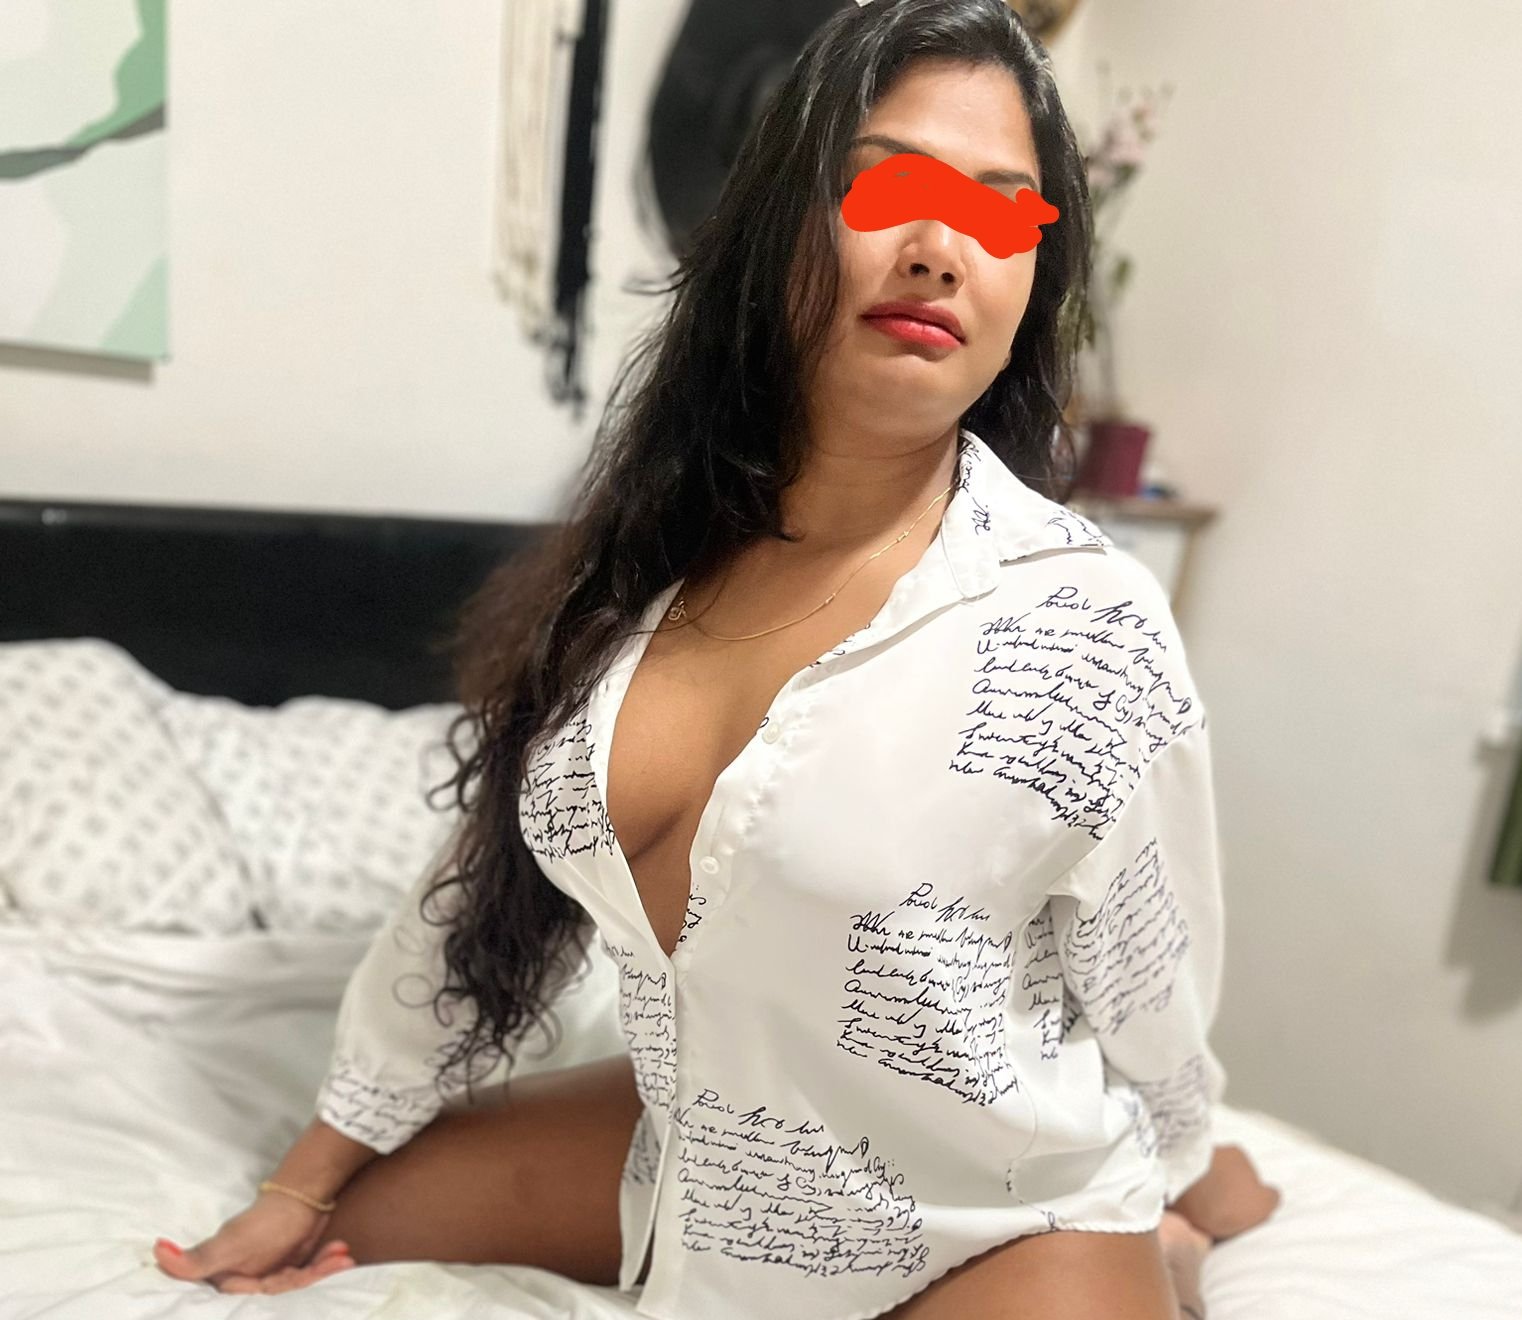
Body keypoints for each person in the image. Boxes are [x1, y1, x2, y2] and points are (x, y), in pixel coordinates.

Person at [153, 1, 1281, 1314]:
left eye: (1000, 212)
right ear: (774, 222)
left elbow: (1149, 982)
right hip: (715, 1145)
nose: (938, 249)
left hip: (997, 1212)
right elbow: (477, 903)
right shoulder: (634, 572)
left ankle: (1176, 1238)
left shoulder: (1083, 622)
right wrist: (301, 1182)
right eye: (885, 187)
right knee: (356, 1230)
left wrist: (1181, 1164)